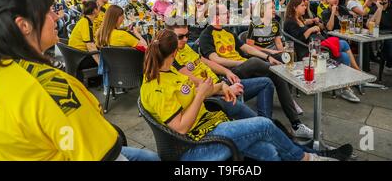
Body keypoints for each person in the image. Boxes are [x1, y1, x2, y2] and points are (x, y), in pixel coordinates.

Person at [0, 0, 159, 161]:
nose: (56, 17)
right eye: (48, 11)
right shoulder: (50, 88)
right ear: (24, 25)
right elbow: (104, 155)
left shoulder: (2, 72)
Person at [140, 29, 349, 161]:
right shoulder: (157, 86)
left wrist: (221, 88)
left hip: (213, 124)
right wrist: (201, 95)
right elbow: (181, 127)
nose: (186, 40)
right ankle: (307, 158)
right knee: (265, 125)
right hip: (197, 144)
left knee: (270, 152)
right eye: (181, 38)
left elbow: (200, 88)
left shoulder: (169, 71)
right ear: (175, 52)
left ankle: (301, 153)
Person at [199, 4, 312, 139]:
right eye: (225, 13)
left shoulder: (228, 32)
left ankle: (296, 125)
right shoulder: (206, 34)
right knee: (255, 62)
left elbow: (247, 48)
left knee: (277, 71)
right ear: (216, 17)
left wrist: (268, 56)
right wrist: (244, 62)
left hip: (246, 66)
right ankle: (292, 80)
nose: (228, 15)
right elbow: (215, 59)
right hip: (229, 72)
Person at [166, 23, 275, 120]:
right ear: (169, 37)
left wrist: (227, 72)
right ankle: (264, 126)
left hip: (220, 84)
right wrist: (222, 88)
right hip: (211, 98)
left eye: (187, 35)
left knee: (266, 83)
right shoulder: (170, 56)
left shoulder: (186, 47)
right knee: (263, 124)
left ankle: (264, 125)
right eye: (181, 37)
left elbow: (207, 62)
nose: (185, 39)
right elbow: (195, 82)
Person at [283, 0, 361, 102]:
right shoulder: (290, 22)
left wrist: (315, 28)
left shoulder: (299, 19)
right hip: (309, 52)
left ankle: (345, 88)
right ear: (294, 7)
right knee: (343, 43)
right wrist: (311, 29)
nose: (305, 7)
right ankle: (355, 74)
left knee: (344, 56)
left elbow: (307, 30)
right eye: (302, 5)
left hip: (315, 47)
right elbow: (299, 39)